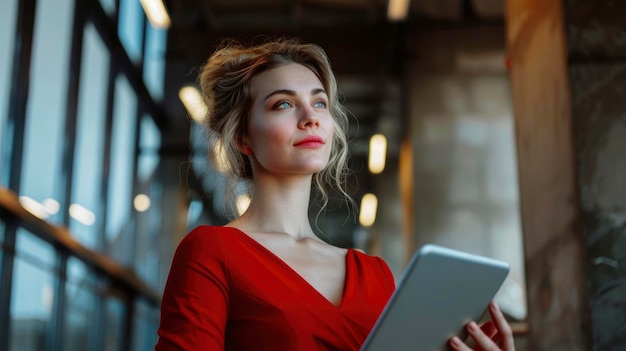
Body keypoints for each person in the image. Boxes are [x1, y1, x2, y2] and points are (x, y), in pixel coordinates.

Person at [155, 38, 515, 351]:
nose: (310, 117)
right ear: (242, 138)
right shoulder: (211, 251)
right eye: (283, 104)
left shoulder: (374, 274)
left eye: (320, 103)